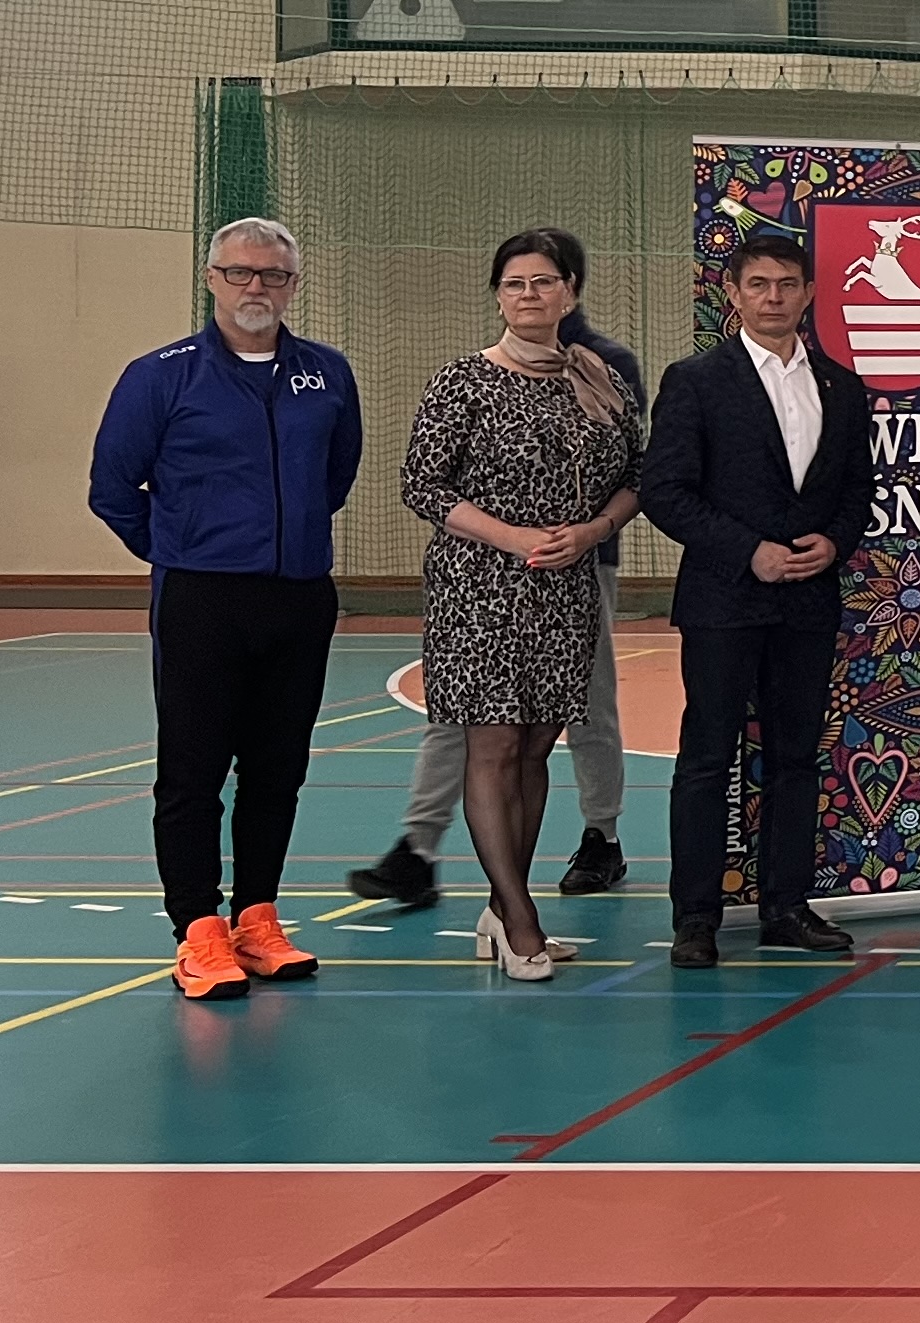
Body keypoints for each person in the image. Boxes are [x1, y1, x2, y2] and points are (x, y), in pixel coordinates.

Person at [88, 218, 363, 1002]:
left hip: (300, 595)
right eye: (240, 272)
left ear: (292, 286)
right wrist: (185, 545)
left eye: (273, 275)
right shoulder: (160, 376)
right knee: (193, 768)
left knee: (278, 766)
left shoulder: (326, 373)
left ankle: (257, 917)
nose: (256, 287)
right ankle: (198, 929)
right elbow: (113, 487)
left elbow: (336, 474)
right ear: (212, 278)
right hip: (201, 597)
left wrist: (287, 537)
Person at [345, 229, 641, 911]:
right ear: (498, 296)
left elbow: (639, 474)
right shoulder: (463, 380)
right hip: (479, 588)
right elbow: (423, 484)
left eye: (543, 281)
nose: (529, 294)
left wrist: (593, 531)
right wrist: (514, 539)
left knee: (544, 739)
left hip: (569, 584)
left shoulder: (603, 377)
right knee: (486, 738)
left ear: (570, 291)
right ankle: (499, 902)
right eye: (514, 283)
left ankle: (577, 853)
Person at [638, 227, 874, 966]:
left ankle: (786, 907)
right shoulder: (695, 381)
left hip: (808, 602)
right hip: (723, 601)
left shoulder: (841, 385)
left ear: (809, 294)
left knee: (797, 758)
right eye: (759, 285)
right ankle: (696, 918)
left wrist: (834, 542)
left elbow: (857, 489)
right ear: (733, 295)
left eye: (787, 285)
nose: (774, 298)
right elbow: (664, 492)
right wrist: (750, 552)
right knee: (707, 758)